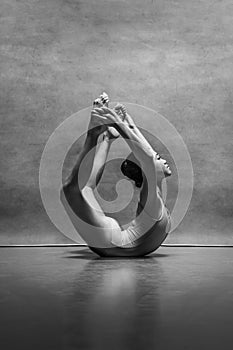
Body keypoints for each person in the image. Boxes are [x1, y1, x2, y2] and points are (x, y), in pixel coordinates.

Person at [60, 93, 172, 257]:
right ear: (146, 169)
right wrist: (119, 124)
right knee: (71, 191)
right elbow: (148, 157)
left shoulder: (155, 192)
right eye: (159, 159)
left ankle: (107, 138)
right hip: (111, 241)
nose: (162, 158)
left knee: (82, 190)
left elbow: (148, 154)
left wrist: (128, 122)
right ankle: (93, 135)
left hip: (112, 242)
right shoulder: (150, 195)